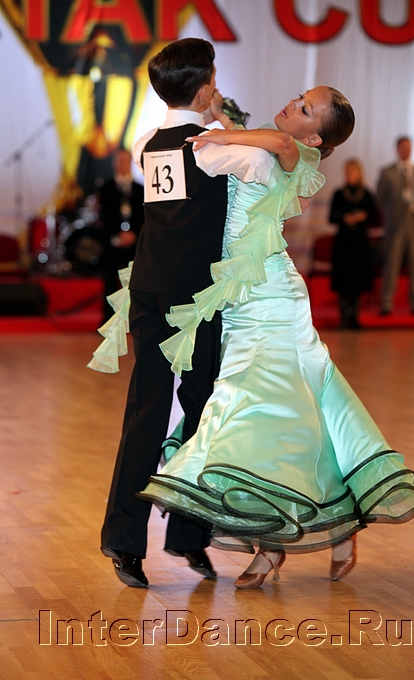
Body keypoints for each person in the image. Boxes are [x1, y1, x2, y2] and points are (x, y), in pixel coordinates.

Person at [135, 88, 414, 588]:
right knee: (291, 418)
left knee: (262, 416)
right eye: (299, 97)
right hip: (238, 297)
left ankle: (272, 546)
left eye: (305, 110)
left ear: (314, 138)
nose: (294, 105)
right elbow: (258, 135)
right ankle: (333, 523)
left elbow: (281, 144)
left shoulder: (296, 154)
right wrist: (220, 115)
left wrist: (221, 134)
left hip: (271, 298)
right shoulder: (262, 143)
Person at [90, 38, 239, 588]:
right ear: (204, 90)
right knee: (200, 413)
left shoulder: (145, 142)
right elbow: (269, 157)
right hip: (195, 300)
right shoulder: (218, 147)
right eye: (214, 79)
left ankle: (123, 540)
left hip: (149, 289)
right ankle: (188, 536)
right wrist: (224, 119)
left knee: (146, 410)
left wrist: (212, 116)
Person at [377, 136, 414, 316]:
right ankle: (387, 302)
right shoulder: (388, 172)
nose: (406, 151)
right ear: (397, 149)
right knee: (392, 263)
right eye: (403, 148)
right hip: (396, 223)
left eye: (409, 148)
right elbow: (381, 197)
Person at [329, 158, 378, 328]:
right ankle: (343, 317)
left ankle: (355, 317)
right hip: (343, 243)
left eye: (352, 171)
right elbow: (331, 217)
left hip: (360, 243)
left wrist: (362, 216)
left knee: (357, 278)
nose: (349, 175)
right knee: (344, 279)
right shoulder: (339, 194)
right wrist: (345, 218)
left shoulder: (367, 194)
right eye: (347, 172)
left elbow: (375, 216)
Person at [98, 149, 144, 323]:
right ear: (114, 163)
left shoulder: (139, 189)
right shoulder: (106, 188)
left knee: (135, 282)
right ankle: (109, 320)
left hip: (134, 243)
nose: (123, 164)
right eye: (120, 160)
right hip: (112, 242)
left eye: (126, 160)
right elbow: (105, 215)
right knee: (110, 282)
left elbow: (142, 216)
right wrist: (117, 233)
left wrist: (133, 234)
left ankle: (134, 320)